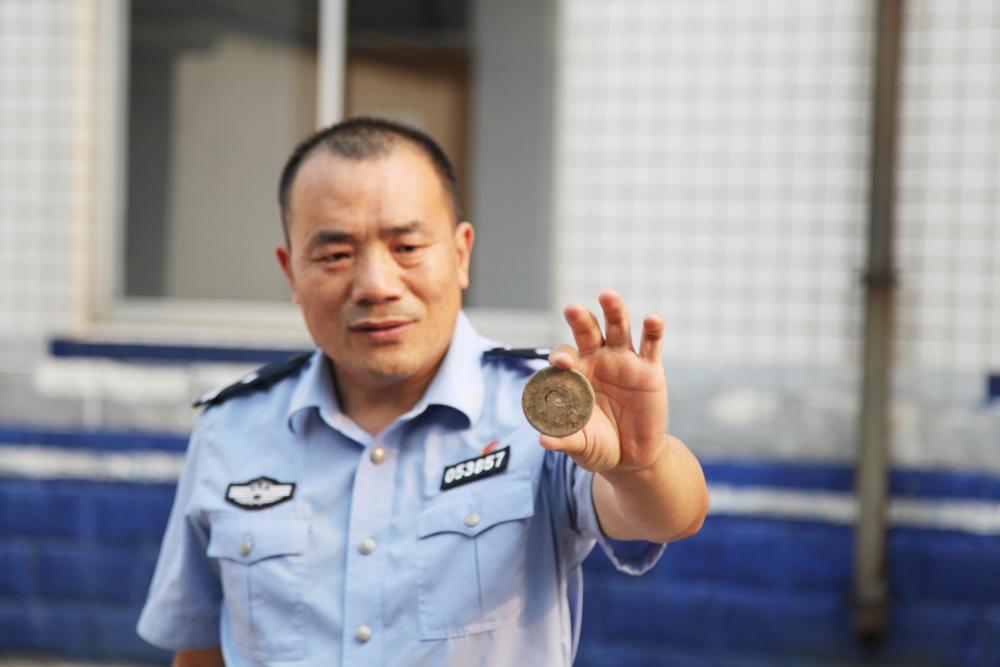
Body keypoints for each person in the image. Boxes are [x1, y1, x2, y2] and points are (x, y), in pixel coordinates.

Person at [137, 117, 708, 667]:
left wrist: (640, 465)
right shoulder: (230, 430)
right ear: (290, 271)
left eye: (407, 247)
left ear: (461, 253)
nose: (376, 285)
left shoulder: (546, 415)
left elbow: (667, 517)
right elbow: (202, 649)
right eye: (335, 255)